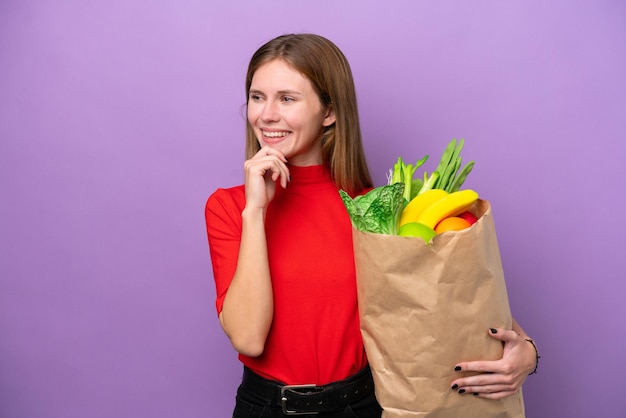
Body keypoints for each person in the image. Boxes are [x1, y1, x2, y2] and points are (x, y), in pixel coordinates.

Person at [205, 33, 538, 418]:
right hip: (267, 408)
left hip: (363, 405)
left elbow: (451, 302)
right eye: (257, 97)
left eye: (287, 98)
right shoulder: (229, 207)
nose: (266, 115)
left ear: (329, 112)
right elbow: (249, 338)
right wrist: (256, 212)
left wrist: (528, 351)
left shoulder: (374, 210)